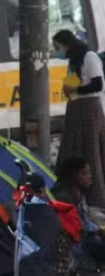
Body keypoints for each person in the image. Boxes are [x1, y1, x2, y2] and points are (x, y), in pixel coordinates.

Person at [55, 29, 105, 207]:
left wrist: (75, 90)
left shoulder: (89, 57)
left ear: (67, 44)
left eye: (59, 46)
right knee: (75, 151)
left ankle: (96, 198)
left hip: (89, 108)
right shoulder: (73, 61)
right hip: (76, 108)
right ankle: (77, 195)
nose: (58, 50)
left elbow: (98, 84)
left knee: (92, 154)